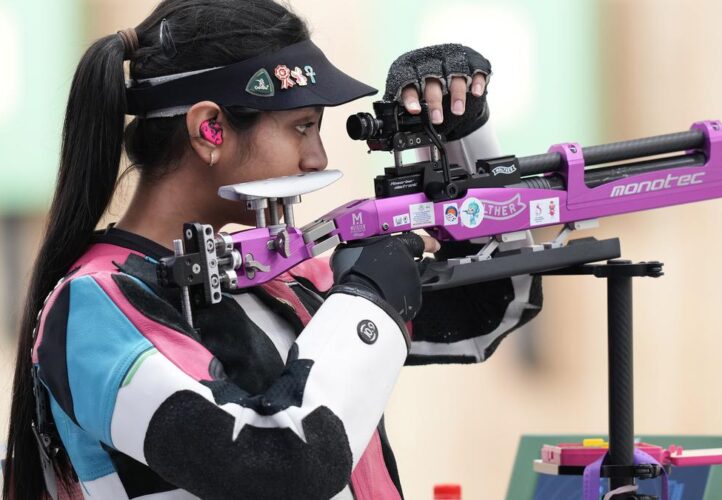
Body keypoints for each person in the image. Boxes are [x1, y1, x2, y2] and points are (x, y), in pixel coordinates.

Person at [2, 1, 542, 499]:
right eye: (302, 127)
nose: (317, 157)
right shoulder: (94, 308)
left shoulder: (276, 270)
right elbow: (282, 465)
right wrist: (369, 296)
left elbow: (490, 310)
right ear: (210, 128)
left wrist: (462, 134)